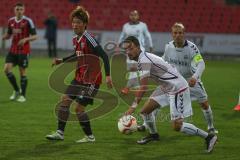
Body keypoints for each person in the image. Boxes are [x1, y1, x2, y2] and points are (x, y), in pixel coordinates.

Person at [123, 36, 217, 153]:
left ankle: (209, 137)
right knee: (145, 112)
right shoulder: (143, 58)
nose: (128, 52)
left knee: (177, 126)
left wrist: (132, 107)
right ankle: (153, 135)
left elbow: (143, 87)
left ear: (138, 47)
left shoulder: (144, 60)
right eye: (126, 49)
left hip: (177, 88)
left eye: (130, 48)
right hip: (165, 87)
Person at [46, 6, 113, 143]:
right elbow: (78, 55)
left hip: (91, 81)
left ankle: (90, 137)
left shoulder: (89, 38)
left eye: (78, 22)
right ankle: (60, 133)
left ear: (84, 24)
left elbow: (104, 56)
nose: (75, 25)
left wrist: (108, 76)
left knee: (78, 108)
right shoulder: (76, 39)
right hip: (78, 78)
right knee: (64, 99)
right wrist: (61, 60)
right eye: (73, 22)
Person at [138, 22, 218, 134]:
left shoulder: (191, 48)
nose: (177, 35)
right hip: (173, 82)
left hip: (191, 81)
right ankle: (146, 125)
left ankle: (210, 126)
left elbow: (201, 63)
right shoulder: (168, 46)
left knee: (204, 104)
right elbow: (163, 60)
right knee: (157, 101)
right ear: (172, 34)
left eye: (180, 33)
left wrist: (195, 77)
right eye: (175, 33)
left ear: (184, 34)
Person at [2, 2, 38, 102]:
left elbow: (35, 36)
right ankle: (17, 90)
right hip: (13, 50)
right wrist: (5, 37)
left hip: (24, 50)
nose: (19, 11)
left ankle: (23, 95)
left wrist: (25, 39)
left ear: (24, 10)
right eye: (17, 9)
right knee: (6, 69)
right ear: (14, 10)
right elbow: (9, 34)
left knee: (22, 72)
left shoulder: (28, 21)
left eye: (21, 9)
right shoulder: (11, 21)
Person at [118, 10, 153, 95]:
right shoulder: (125, 26)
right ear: (129, 16)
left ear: (138, 16)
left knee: (133, 69)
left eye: (135, 15)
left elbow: (147, 35)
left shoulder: (142, 25)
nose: (133, 16)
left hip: (139, 50)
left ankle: (127, 88)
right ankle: (137, 88)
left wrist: (151, 45)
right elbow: (122, 35)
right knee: (131, 70)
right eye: (132, 15)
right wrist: (119, 43)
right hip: (129, 50)